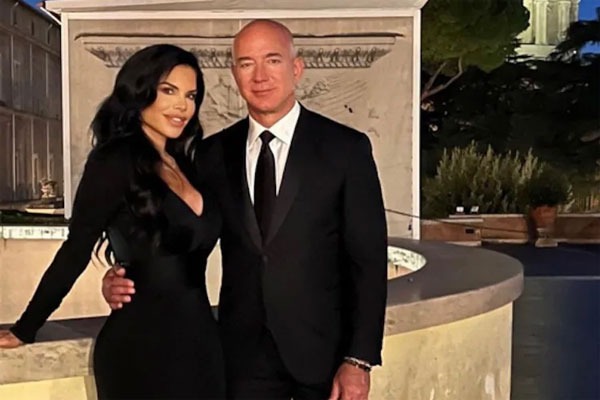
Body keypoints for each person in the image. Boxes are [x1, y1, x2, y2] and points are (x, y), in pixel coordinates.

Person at [103, 19, 388, 400]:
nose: (260, 76)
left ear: (296, 68)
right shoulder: (210, 155)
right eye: (246, 63)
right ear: (234, 73)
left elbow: (368, 260)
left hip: (324, 357)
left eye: (273, 60)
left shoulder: (346, 149)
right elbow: (176, 233)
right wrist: (123, 272)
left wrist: (359, 359)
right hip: (242, 358)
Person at [0, 44, 226, 400]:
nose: (183, 106)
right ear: (140, 91)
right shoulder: (113, 161)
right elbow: (76, 249)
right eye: (168, 91)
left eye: (191, 95)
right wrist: (26, 327)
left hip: (201, 346)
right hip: (140, 349)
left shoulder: (187, 163)